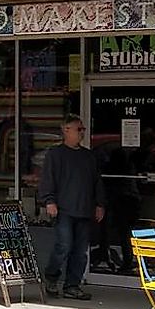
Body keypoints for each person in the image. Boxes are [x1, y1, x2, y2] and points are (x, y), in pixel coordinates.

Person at [35, 116, 101, 299]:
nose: (81, 133)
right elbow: (47, 179)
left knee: (80, 251)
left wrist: (100, 204)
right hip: (63, 209)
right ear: (66, 130)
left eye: (83, 129)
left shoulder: (88, 156)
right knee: (64, 245)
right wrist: (49, 201)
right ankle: (51, 276)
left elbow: (97, 182)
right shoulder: (55, 154)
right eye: (78, 129)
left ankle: (73, 285)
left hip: (85, 209)